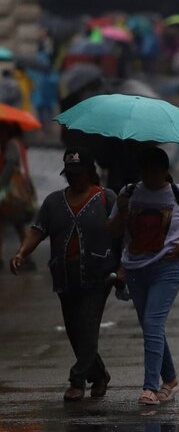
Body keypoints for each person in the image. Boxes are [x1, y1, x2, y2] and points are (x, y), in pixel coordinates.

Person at [9, 148, 118, 401]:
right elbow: (37, 230)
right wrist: (21, 253)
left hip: (98, 276)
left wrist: (124, 267)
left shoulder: (106, 198)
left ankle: (77, 380)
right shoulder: (53, 202)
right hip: (65, 276)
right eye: (70, 173)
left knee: (88, 328)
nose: (74, 178)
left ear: (89, 173)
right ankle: (99, 375)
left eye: (78, 173)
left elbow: (123, 232)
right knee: (75, 331)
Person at [108, 147, 179, 405]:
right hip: (135, 269)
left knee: (153, 323)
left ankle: (150, 387)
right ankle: (171, 381)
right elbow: (112, 231)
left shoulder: (178, 193)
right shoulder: (128, 193)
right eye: (145, 171)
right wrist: (122, 210)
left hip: (167, 268)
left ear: (166, 171)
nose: (150, 177)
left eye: (155, 171)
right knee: (149, 326)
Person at [0, 123, 33, 263]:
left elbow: (10, 165)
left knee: (8, 222)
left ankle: (26, 257)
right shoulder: (18, 143)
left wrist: (1, 183)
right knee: (14, 224)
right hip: (18, 190)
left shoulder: (11, 144)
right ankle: (26, 257)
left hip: (11, 191)